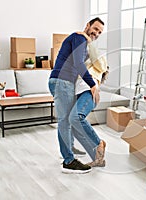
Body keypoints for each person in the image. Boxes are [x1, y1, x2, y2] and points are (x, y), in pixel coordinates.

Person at [48, 17, 104, 173]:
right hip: (63, 82)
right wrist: (93, 85)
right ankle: (69, 160)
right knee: (65, 121)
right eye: (95, 29)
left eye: (100, 32)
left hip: (62, 82)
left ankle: (69, 149)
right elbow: (79, 64)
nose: (97, 33)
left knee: (67, 119)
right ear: (87, 26)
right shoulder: (79, 38)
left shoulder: (81, 40)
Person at [69, 33, 108, 167]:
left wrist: (89, 40)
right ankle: (99, 159)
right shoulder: (85, 62)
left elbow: (99, 62)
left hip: (88, 91)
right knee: (71, 121)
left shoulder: (99, 64)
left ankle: (99, 143)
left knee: (76, 117)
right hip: (79, 92)